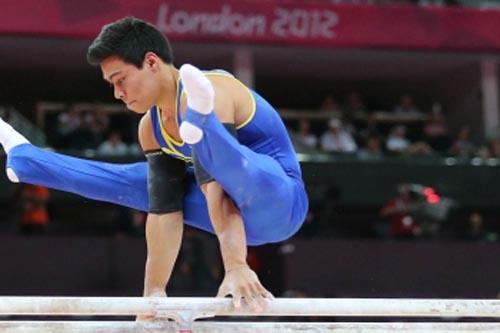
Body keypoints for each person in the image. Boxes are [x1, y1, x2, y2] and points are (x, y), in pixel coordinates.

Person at [0, 17, 308, 312]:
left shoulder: (216, 87)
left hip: (278, 199)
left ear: (151, 62)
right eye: (111, 85)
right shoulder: (150, 128)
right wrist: (153, 297)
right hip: (232, 220)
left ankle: (203, 122)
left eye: (120, 80)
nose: (118, 93)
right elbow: (165, 214)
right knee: (139, 182)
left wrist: (237, 266)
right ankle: (27, 159)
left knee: (233, 168)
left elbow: (220, 192)